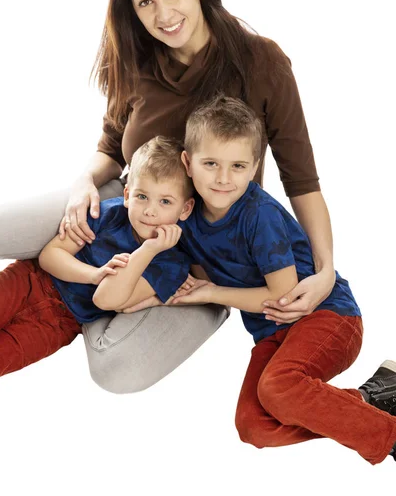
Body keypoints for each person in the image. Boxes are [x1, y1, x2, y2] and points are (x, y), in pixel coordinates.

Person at [0, 0, 362, 392]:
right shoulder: (136, 60)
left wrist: (326, 270)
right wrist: (84, 184)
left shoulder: (262, 63)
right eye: (145, 2)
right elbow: (111, 147)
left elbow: (302, 182)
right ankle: (55, 281)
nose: (164, 15)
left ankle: (79, 304)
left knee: (115, 372)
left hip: (197, 254)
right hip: (127, 203)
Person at [163, 95, 396, 465]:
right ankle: (371, 401)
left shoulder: (259, 215)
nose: (224, 178)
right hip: (274, 333)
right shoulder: (186, 213)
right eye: (211, 164)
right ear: (188, 164)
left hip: (328, 318)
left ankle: (389, 434)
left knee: (277, 390)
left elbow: (284, 294)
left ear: (255, 167)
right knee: (253, 425)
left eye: (238, 166)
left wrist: (210, 291)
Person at [0, 137, 194, 379]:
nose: (150, 210)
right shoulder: (111, 213)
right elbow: (50, 256)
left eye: (165, 201)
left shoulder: (171, 265)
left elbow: (106, 299)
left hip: (61, 323)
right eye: (142, 196)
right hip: (29, 280)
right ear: (127, 195)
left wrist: (148, 250)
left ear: (185, 209)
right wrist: (93, 274)